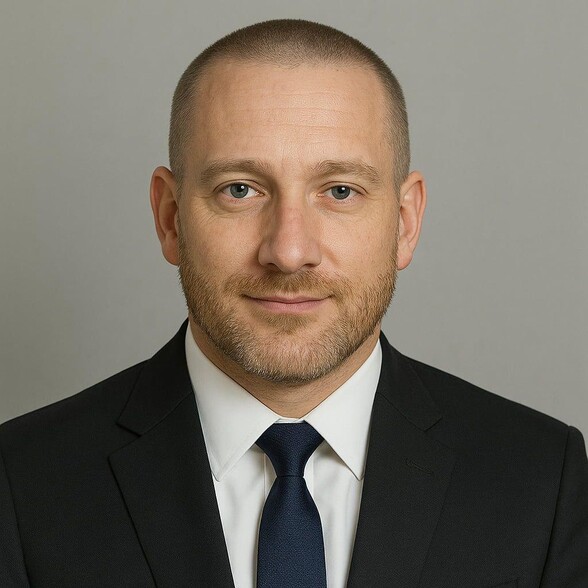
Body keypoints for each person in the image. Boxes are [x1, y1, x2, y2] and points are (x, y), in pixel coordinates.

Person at [1, 19, 586, 588]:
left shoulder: (542, 481)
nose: (288, 251)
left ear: (405, 223)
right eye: (240, 190)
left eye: (340, 191)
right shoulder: (21, 484)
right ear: (170, 218)